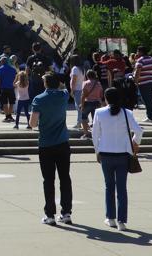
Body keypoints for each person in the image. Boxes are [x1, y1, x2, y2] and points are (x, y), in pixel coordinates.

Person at [92, 86, 143, 231]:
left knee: (109, 186)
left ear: (106, 98)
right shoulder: (127, 113)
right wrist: (134, 144)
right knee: (122, 188)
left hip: (106, 153)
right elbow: (139, 131)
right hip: (122, 154)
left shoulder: (99, 113)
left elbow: (95, 135)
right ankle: (122, 221)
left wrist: (97, 150)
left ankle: (111, 218)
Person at [29, 73, 72, 225]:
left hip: (46, 144)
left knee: (48, 180)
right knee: (65, 178)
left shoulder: (39, 99)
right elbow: (66, 87)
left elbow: (33, 123)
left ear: (45, 84)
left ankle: (50, 215)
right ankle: (66, 212)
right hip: (62, 142)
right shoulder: (63, 95)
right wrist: (59, 84)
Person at [134, 46, 152, 123]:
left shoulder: (140, 60)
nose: (137, 53)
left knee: (147, 100)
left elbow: (138, 72)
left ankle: (150, 117)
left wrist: (136, 81)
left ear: (141, 52)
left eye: (138, 51)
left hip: (144, 83)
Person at [80, 69, 104, 140]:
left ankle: (86, 134)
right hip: (97, 103)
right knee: (95, 120)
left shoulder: (85, 83)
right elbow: (101, 95)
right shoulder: (98, 84)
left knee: (84, 118)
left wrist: (82, 104)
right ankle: (96, 134)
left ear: (87, 76)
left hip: (87, 103)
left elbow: (83, 95)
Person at [0, 55, 16, 122]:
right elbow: (15, 78)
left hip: (3, 88)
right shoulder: (13, 69)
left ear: (2, 62)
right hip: (11, 88)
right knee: (11, 102)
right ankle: (10, 116)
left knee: (4, 103)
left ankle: (7, 116)